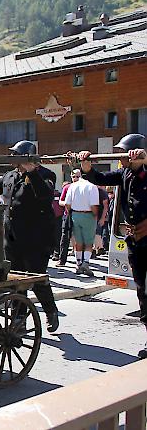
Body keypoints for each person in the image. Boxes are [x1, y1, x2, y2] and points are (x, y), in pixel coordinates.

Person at [0, 140, 59, 333]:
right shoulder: (10, 176)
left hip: (37, 240)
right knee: (16, 281)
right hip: (13, 239)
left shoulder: (46, 174)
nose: (12, 159)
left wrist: (32, 172)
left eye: (16, 155)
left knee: (36, 278)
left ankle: (50, 310)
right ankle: (19, 319)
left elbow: (45, 195)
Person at [77, 133, 147, 358]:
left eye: (125, 153)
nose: (122, 157)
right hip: (136, 242)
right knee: (143, 292)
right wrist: (87, 167)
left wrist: (145, 160)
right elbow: (99, 178)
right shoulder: (124, 173)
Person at [64, 170, 99, 276]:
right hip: (88, 214)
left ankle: (78, 264)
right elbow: (94, 205)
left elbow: (67, 203)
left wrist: (71, 212)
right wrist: (95, 215)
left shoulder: (72, 186)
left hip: (75, 214)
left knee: (78, 242)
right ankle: (86, 263)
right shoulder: (92, 187)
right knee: (88, 242)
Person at [56, 170, 81, 266]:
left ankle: (81, 262)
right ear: (71, 177)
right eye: (74, 176)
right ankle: (62, 260)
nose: (76, 179)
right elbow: (60, 202)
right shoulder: (67, 187)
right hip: (68, 215)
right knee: (64, 238)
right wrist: (67, 203)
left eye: (78, 177)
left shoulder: (84, 187)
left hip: (81, 215)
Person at [92, 185, 109, 258]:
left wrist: (103, 218)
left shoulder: (101, 192)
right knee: (95, 234)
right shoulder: (90, 191)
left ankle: (96, 249)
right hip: (90, 216)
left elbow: (106, 206)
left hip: (98, 216)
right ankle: (98, 248)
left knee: (97, 233)